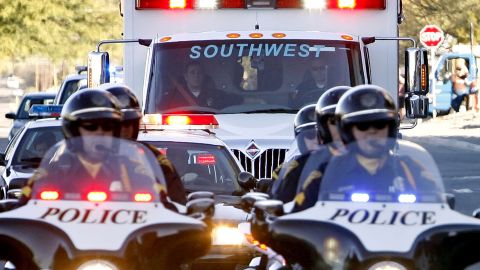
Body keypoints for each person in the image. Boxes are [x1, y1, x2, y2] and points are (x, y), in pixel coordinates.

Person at [293, 85, 437, 211]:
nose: (372, 132)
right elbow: (298, 220)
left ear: (391, 128)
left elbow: (440, 211)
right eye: (362, 126)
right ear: (348, 131)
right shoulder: (324, 174)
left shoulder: (410, 169)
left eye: (380, 124)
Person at [18, 89, 168, 207]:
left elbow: (166, 207)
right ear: (73, 131)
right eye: (91, 127)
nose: (100, 133)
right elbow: (22, 207)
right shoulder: (54, 171)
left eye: (108, 126)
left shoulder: (132, 169)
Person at [99, 83, 187, 204]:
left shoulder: (156, 161)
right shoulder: (85, 160)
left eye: (129, 123)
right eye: (117, 125)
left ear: (136, 124)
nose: (124, 130)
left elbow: (178, 205)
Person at [269, 86, 350, 203]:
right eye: (333, 122)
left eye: (346, 122)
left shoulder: (383, 164)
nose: (340, 128)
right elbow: (282, 212)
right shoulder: (297, 168)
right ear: (323, 129)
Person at [160, 60, 242, 110]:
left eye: (199, 72)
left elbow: (237, 101)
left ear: (203, 75)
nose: (196, 76)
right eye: (192, 73)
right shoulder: (173, 96)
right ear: (186, 76)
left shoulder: (215, 95)